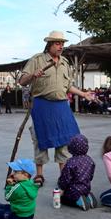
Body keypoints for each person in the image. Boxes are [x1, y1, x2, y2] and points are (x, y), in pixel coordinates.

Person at [19, 31, 93, 187]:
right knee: (40, 139)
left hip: (61, 106)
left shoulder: (65, 63)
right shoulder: (37, 60)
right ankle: (39, 175)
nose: (61, 47)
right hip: (42, 105)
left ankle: (63, 175)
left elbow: (68, 86)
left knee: (64, 139)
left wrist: (83, 94)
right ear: (49, 44)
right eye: (57, 43)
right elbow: (22, 81)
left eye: (62, 44)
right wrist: (33, 75)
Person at [57, 134, 97, 211]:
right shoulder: (90, 160)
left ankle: (79, 201)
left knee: (63, 199)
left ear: (71, 148)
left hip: (73, 191)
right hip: (86, 187)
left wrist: (61, 187)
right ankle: (88, 196)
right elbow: (91, 176)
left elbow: (65, 178)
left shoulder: (70, 162)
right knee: (83, 192)